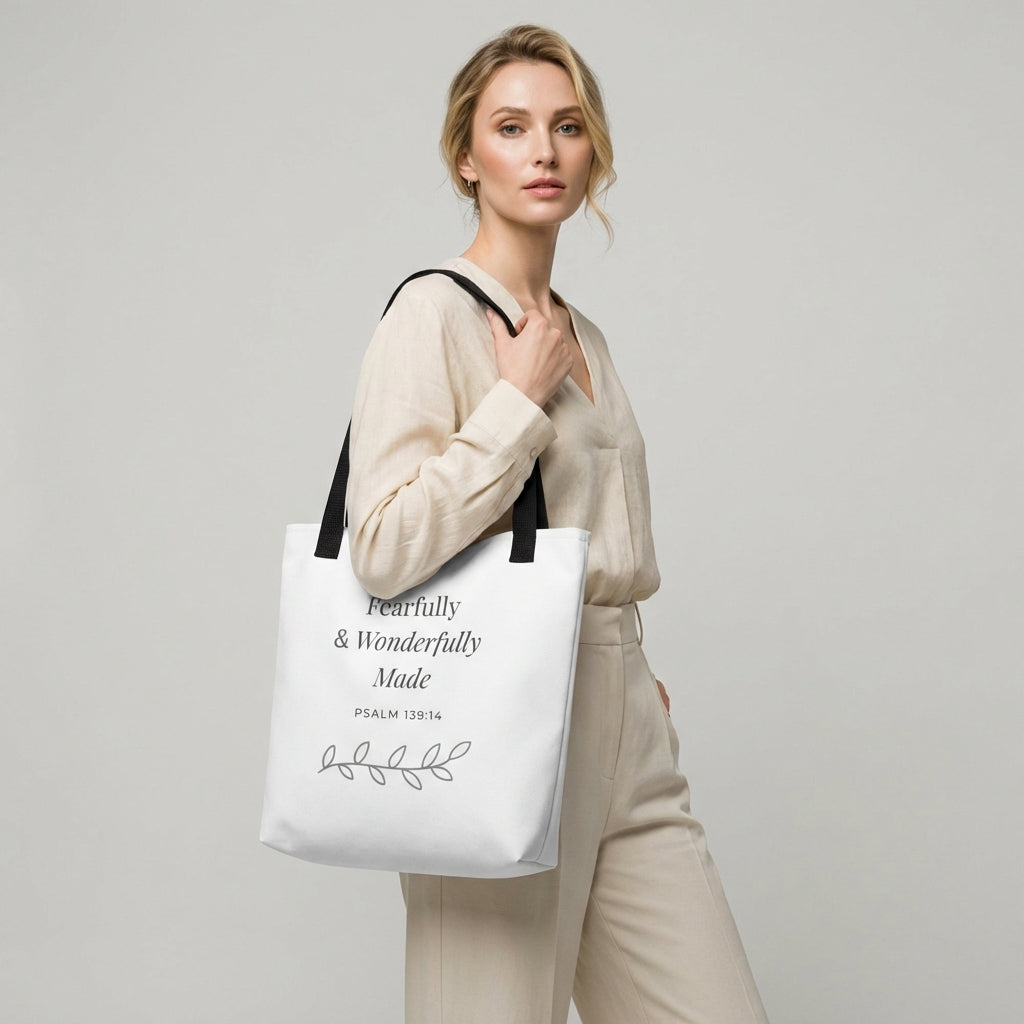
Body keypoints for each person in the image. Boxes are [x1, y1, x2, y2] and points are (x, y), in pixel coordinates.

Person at [346, 24, 771, 1024]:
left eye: (567, 127)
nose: (543, 151)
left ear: (591, 154)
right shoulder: (433, 315)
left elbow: (593, 538)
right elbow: (383, 546)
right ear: (466, 155)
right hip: (498, 718)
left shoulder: (586, 333)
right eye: (511, 126)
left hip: (622, 717)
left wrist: (623, 668)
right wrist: (515, 406)